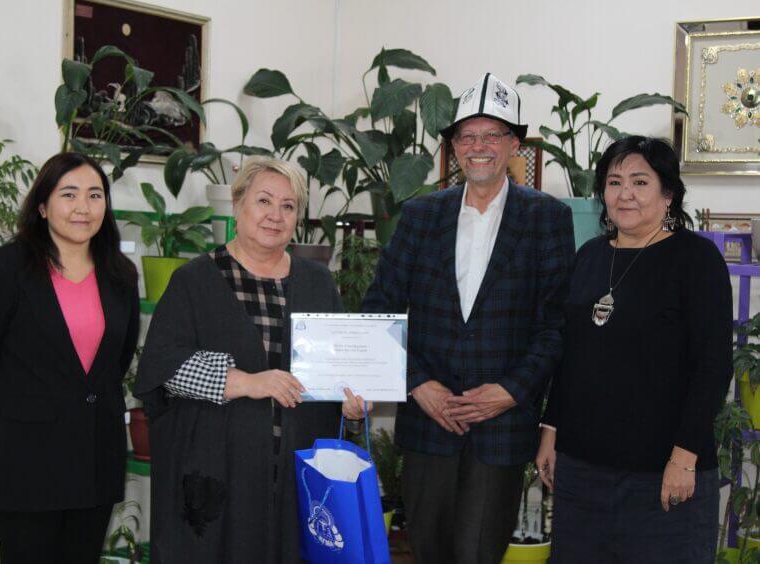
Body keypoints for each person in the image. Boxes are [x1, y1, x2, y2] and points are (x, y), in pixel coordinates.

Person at [363, 72, 575, 564]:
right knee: (429, 551)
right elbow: (379, 309)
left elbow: (556, 324)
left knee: (478, 554)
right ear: (454, 146)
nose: (478, 147)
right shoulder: (420, 215)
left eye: (492, 135)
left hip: (501, 428)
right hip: (428, 423)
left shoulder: (546, 217)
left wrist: (511, 391)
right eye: (467, 136)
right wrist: (418, 384)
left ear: (514, 145)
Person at [133, 156, 369, 563]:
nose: (275, 215)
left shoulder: (318, 282)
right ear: (238, 204)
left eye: (288, 206)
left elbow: (335, 372)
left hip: (297, 480)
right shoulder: (193, 280)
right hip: (217, 479)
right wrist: (246, 382)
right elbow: (162, 368)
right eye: (264, 201)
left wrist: (351, 408)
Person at [536, 136, 733, 563]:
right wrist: (550, 430)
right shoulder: (589, 257)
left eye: (640, 182)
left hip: (663, 474)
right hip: (582, 473)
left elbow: (714, 365)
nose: (625, 193)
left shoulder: (696, 259)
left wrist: (684, 458)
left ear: (668, 194)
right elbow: (571, 356)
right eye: (614, 182)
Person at [0, 152, 140, 564]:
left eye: (94, 195)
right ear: (42, 206)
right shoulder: (8, 267)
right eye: (68, 194)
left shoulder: (120, 274)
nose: (83, 207)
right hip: (26, 459)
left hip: (96, 457)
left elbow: (117, 359)